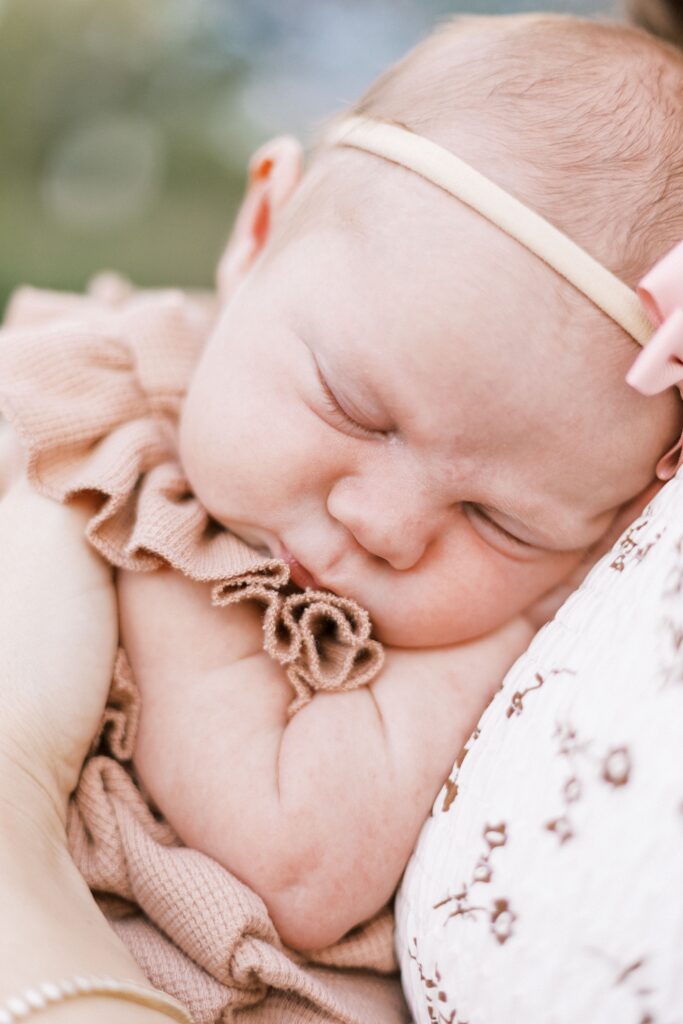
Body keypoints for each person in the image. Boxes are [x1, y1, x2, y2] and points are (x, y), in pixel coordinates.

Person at [1, 9, 682, 1011]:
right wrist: (509, 622)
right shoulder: (138, 492)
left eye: (500, 519)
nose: (383, 525)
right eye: (354, 410)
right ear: (258, 231)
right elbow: (295, 858)